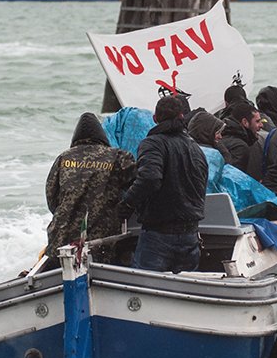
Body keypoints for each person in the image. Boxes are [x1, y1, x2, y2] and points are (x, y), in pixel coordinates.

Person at [121, 95, 209, 272]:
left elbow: (150, 178)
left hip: (158, 233)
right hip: (191, 233)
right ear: (182, 117)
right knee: (186, 291)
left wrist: (126, 204)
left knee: (145, 288)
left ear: (155, 118)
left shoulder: (153, 144)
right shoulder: (195, 148)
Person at [44, 113, 137, 264]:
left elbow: (51, 198)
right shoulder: (118, 157)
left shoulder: (64, 158)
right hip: (102, 239)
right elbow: (140, 187)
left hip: (61, 236)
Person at [219, 100, 264, 179]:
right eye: (257, 121)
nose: (261, 125)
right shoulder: (240, 147)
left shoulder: (224, 135)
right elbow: (235, 179)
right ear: (245, 122)